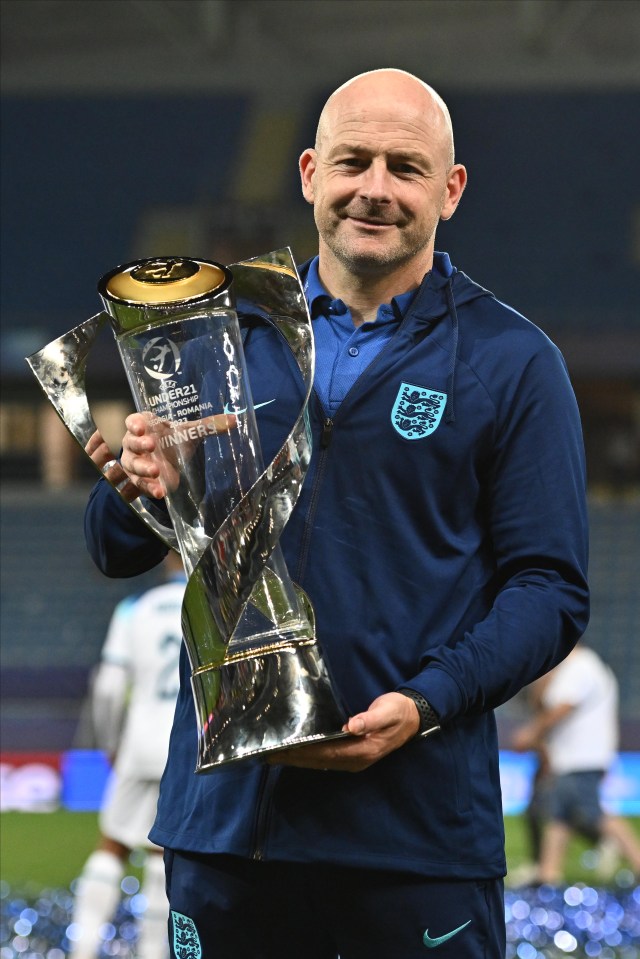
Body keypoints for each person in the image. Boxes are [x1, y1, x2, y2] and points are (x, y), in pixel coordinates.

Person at [83, 69, 590, 958]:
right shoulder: (219, 334)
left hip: (416, 835)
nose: (377, 189)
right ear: (311, 172)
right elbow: (115, 544)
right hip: (227, 828)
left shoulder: (515, 361)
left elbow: (549, 589)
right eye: (355, 161)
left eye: (406, 167)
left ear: (450, 190)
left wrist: (426, 704)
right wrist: (139, 485)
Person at [68, 552, 186, 959]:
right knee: (164, 849)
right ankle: (153, 952)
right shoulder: (215, 604)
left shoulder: (135, 609)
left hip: (138, 743)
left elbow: (108, 689)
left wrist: (109, 743)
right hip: (189, 746)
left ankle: (82, 949)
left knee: (113, 841)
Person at [511, 643, 640, 886]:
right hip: (569, 757)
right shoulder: (570, 668)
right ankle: (548, 876)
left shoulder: (582, 666)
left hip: (582, 756)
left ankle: (637, 860)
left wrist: (532, 732)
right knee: (560, 815)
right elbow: (544, 704)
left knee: (592, 812)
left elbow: (562, 708)